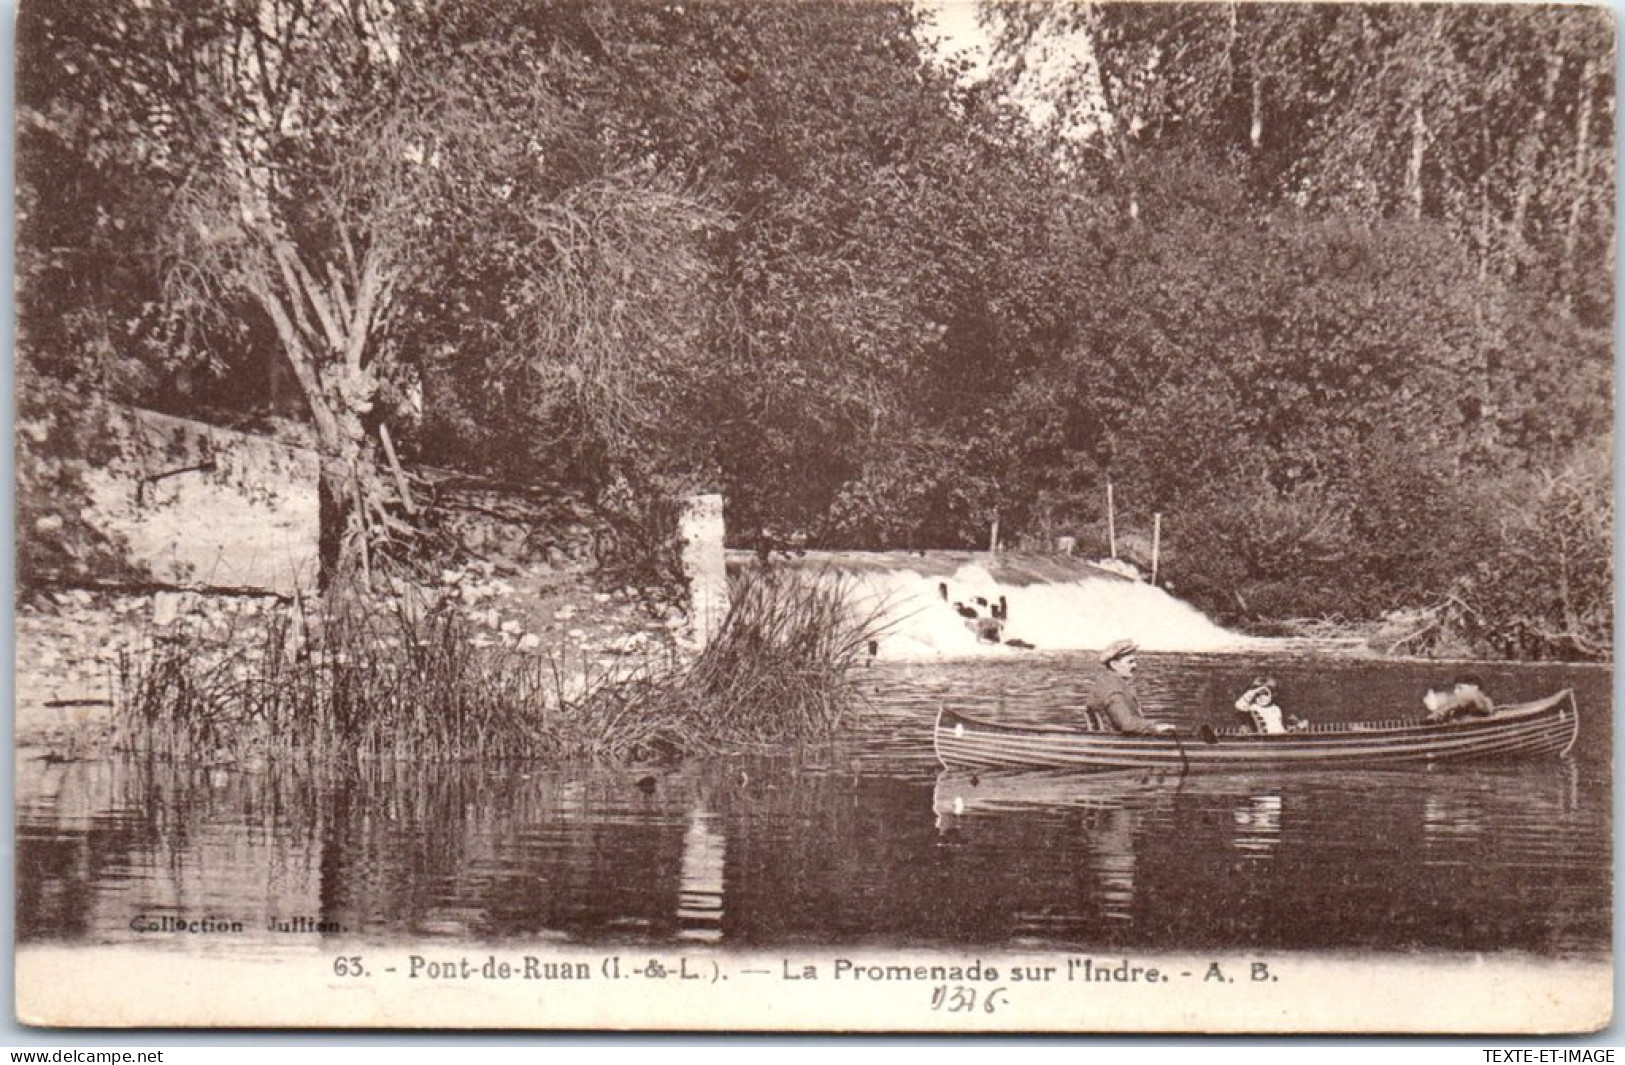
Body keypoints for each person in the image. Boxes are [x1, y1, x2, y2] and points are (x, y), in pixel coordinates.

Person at [1086, 639, 1176, 735]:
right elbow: (1127, 724)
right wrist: (1155, 727)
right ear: (1114, 665)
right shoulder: (1114, 690)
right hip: (1117, 744)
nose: (1135, 665)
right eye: (1130, 662)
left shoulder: (1108, 681)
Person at [1233, 677, 1306, 734]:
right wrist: (1254, 691)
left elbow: (1279, 727)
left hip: (1279, 739)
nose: (1261, 697)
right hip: (1264, 741)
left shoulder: (1276, 708)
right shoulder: (1253, 707)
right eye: (1258, 695)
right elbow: (1239, 705)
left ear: (1272, 695)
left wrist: (1296, 726)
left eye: (1265, 694)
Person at [1423, 675, 1496, 723]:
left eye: (1460, 688)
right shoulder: (1474, 701)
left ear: (1474, 687)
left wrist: (1438, 713)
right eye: (1455, 688)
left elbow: (1463, 700)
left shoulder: (1476, 696)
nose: (1456, 691)